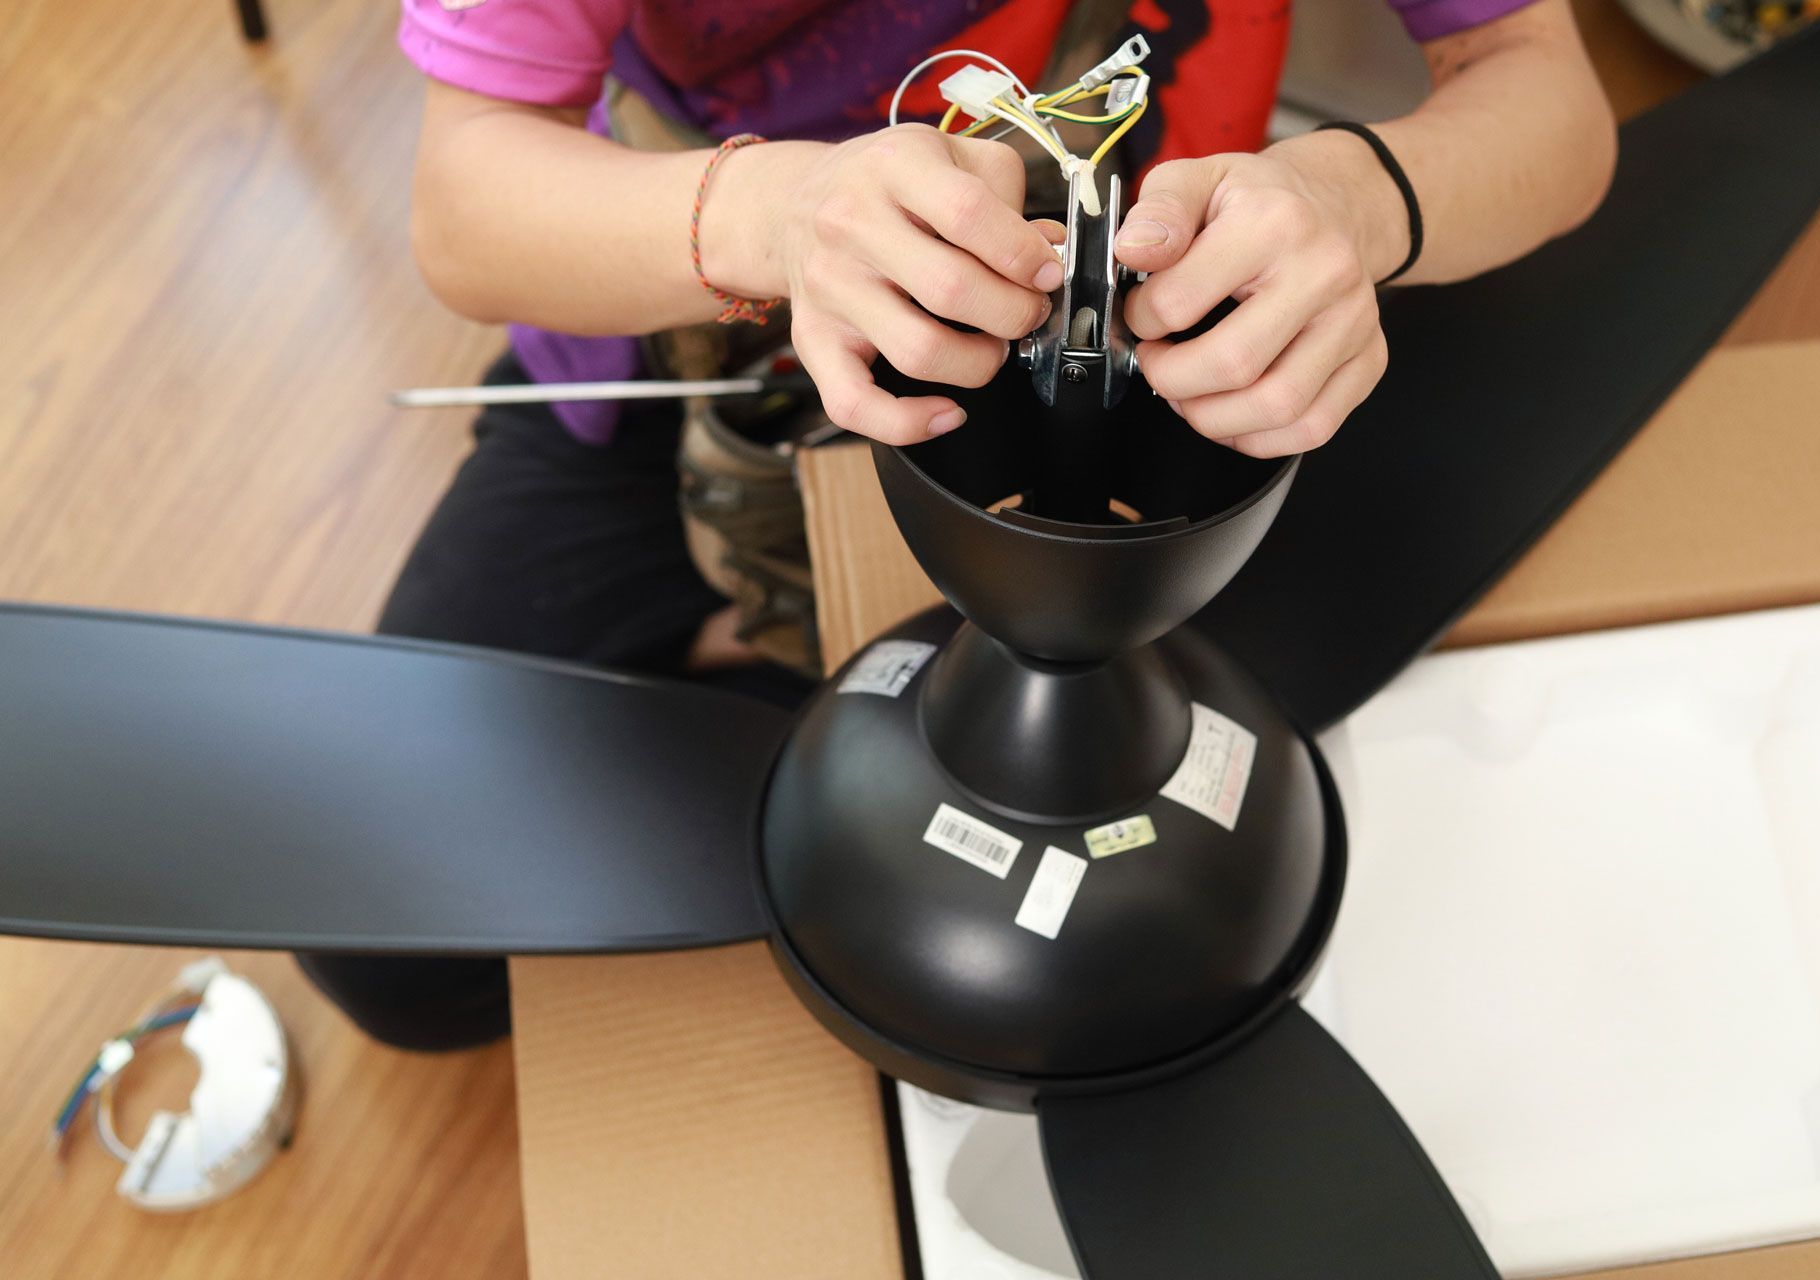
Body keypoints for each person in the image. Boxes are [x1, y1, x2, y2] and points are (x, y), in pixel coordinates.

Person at [298, 0, 1617, 1050]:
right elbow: (465, 196)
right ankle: (761, 639)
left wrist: (1358, 200)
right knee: (393, 953)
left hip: (1159, 366)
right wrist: (778, 218)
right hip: (696, 345)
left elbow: (1544, 89)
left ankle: (781, 657)